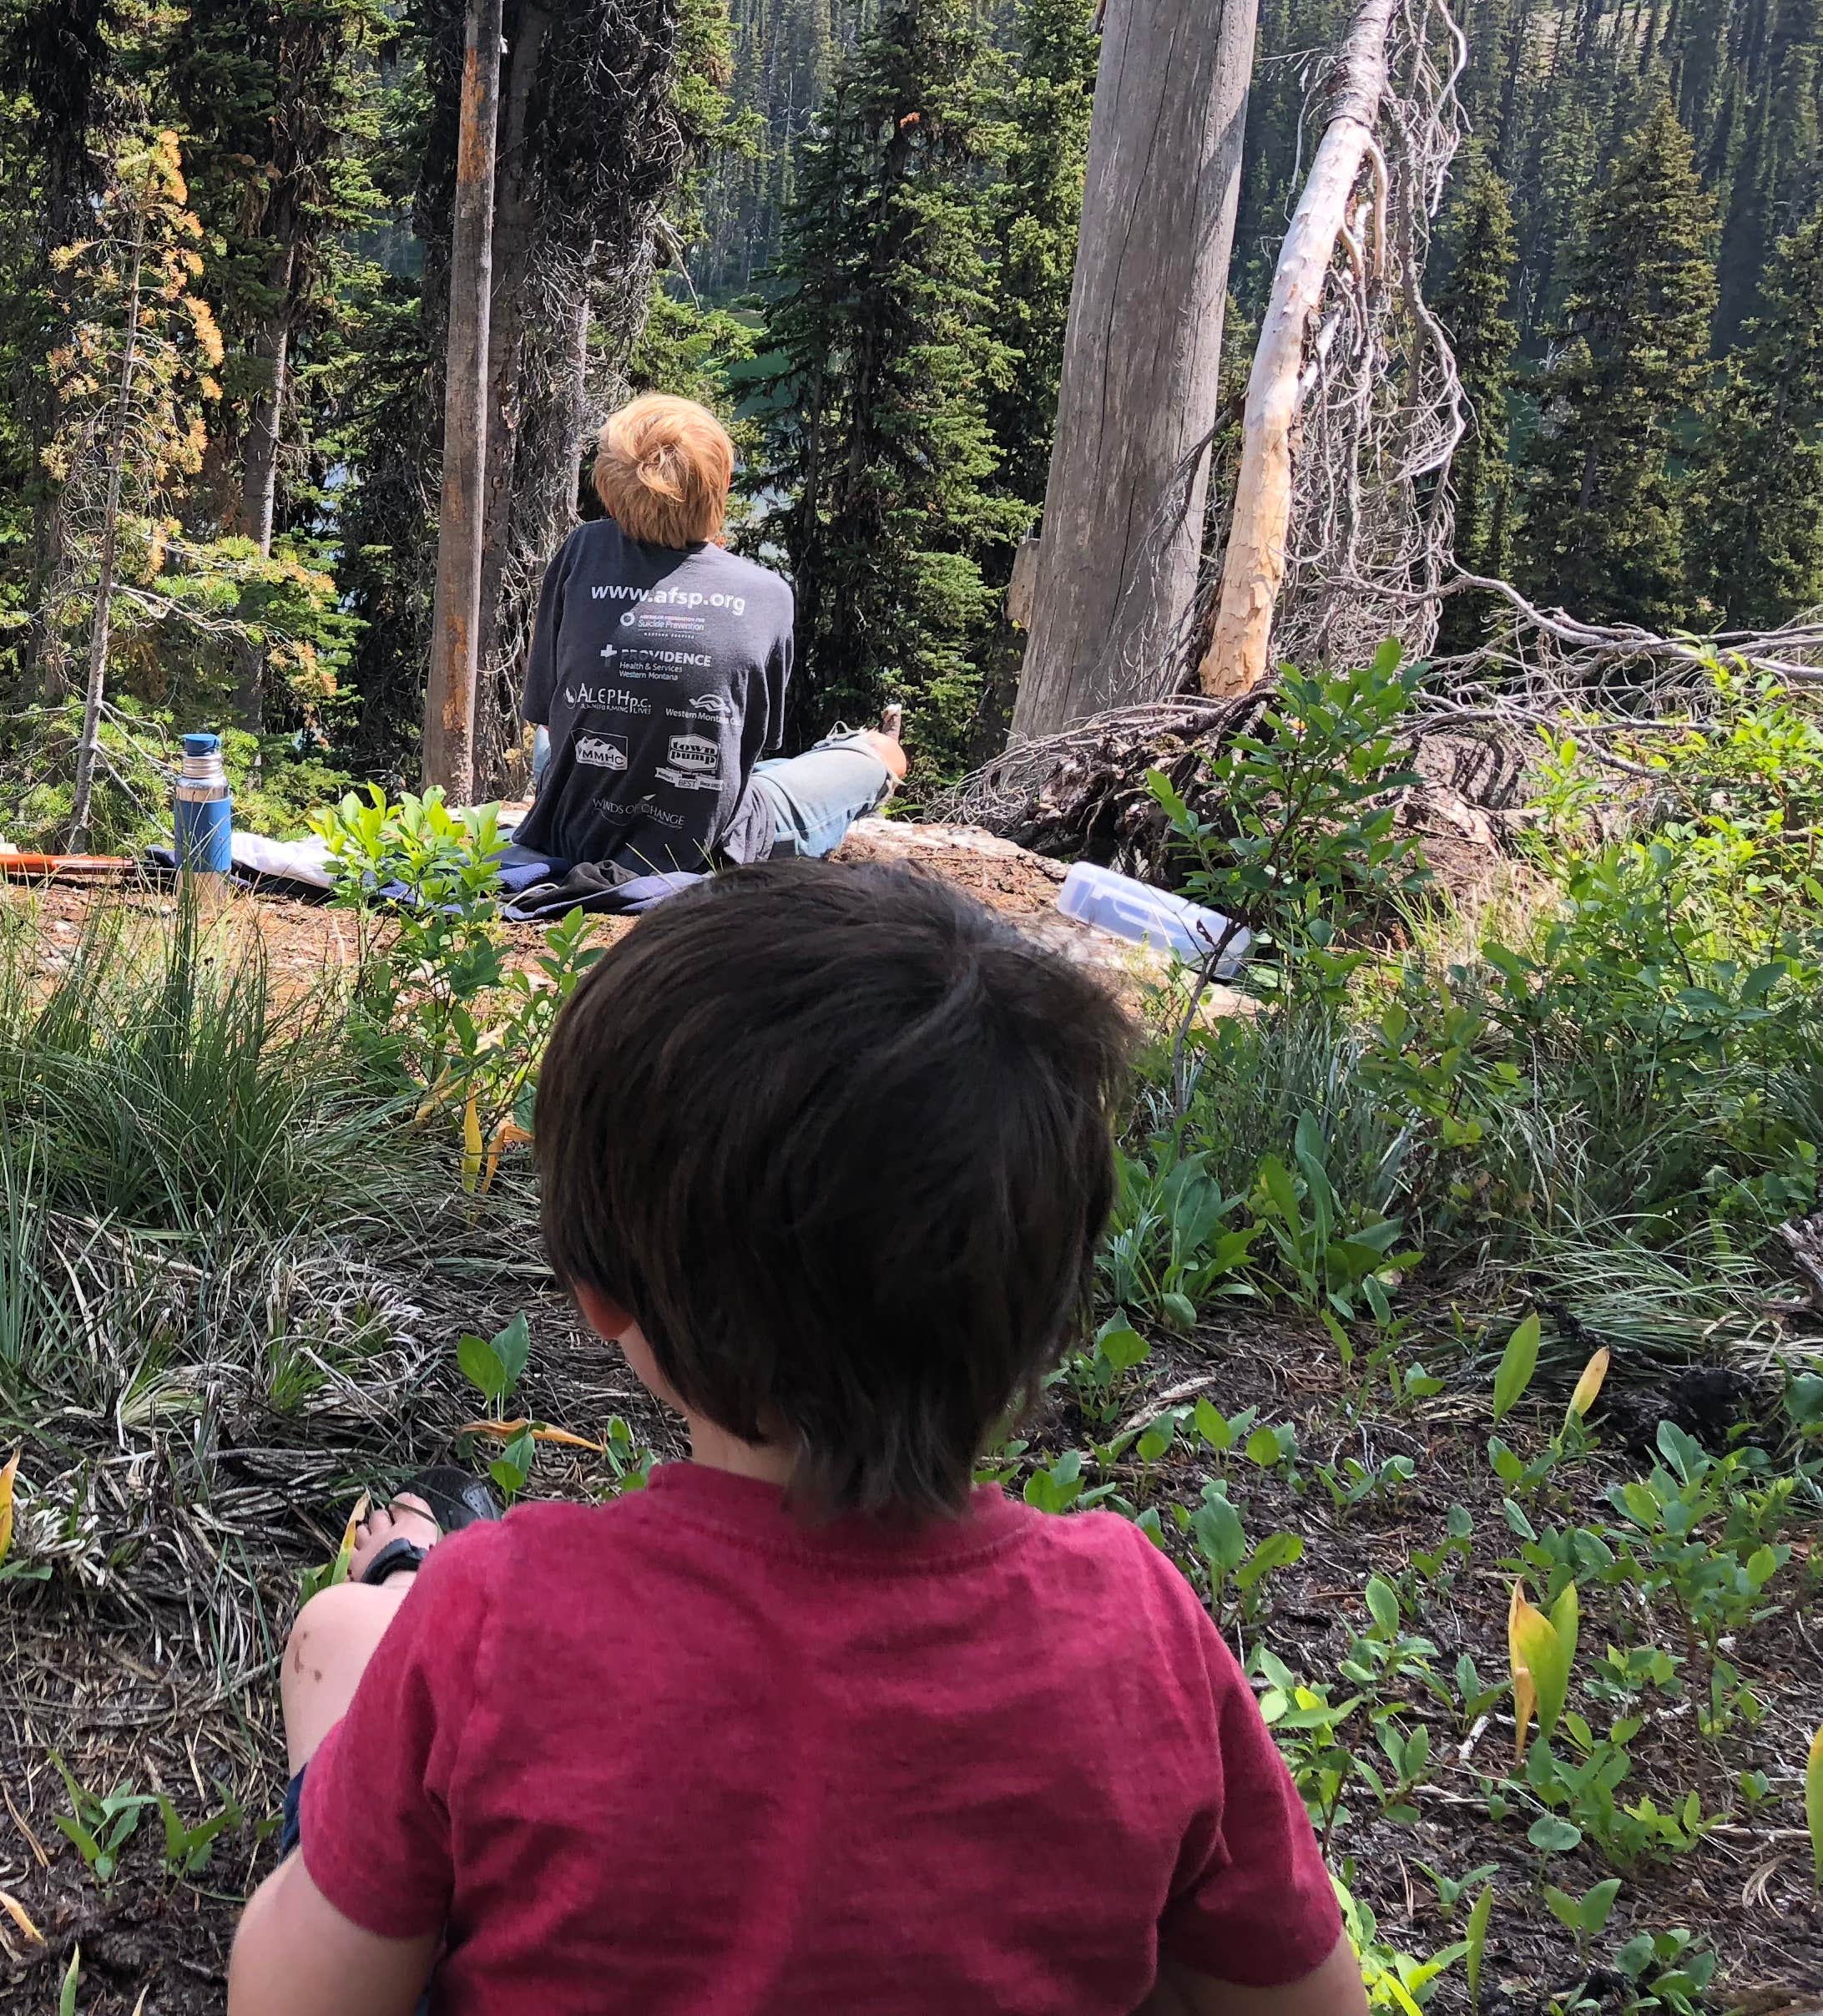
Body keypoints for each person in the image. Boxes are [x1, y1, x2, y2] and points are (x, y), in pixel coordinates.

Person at [226, 863, 1366, 2016]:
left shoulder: (497, 1616)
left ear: (599, 1293)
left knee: (344, 1634)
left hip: (442, 1688)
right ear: (1050, 1308)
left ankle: (395, 1577)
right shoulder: (1137, 1627)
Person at [513, 393, 906, 894]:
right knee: (880, 753)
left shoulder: (580, 551)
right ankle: (847, 754)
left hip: (572, 825)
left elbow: (548, 710)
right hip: (703, 842)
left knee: (552, 742)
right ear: (723, 485)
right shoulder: (766, 593)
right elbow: (752, 743)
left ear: (609, 497)